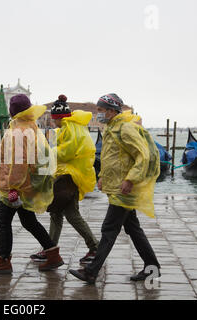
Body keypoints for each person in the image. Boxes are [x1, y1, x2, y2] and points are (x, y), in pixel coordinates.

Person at [69, 93, 161, 284]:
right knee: (133, 229)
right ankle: (153, 267)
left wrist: (130, 180)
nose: (99, 114)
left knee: (109, 229)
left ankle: (91, 272)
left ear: (112, 111)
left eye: (101, 110)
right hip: (116, 187)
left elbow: (142, 156)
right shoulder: (111, 128)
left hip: (124, 189)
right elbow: (111, 158)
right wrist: (102, 177)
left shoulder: (125, 129)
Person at [0, 94, 64, 274]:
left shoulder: (18, 131)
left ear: (13, 111)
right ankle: (53, 254)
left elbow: (19, 163)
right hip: (26, 185)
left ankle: (4, 261)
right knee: (29, 221)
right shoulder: (31, 126)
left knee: (2, 221)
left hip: (15, 188)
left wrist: (13, 187)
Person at [30, 95, 99, 265]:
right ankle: (50, 249)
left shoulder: (71, 128)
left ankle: (95, 247)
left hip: (70, 177)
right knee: (56, 213)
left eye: (54, 119)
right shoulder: (68, 128)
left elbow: (67, 151)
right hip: (64, 175)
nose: (53, 123)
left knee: (72, 215)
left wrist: (48, 153)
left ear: (58, 118)